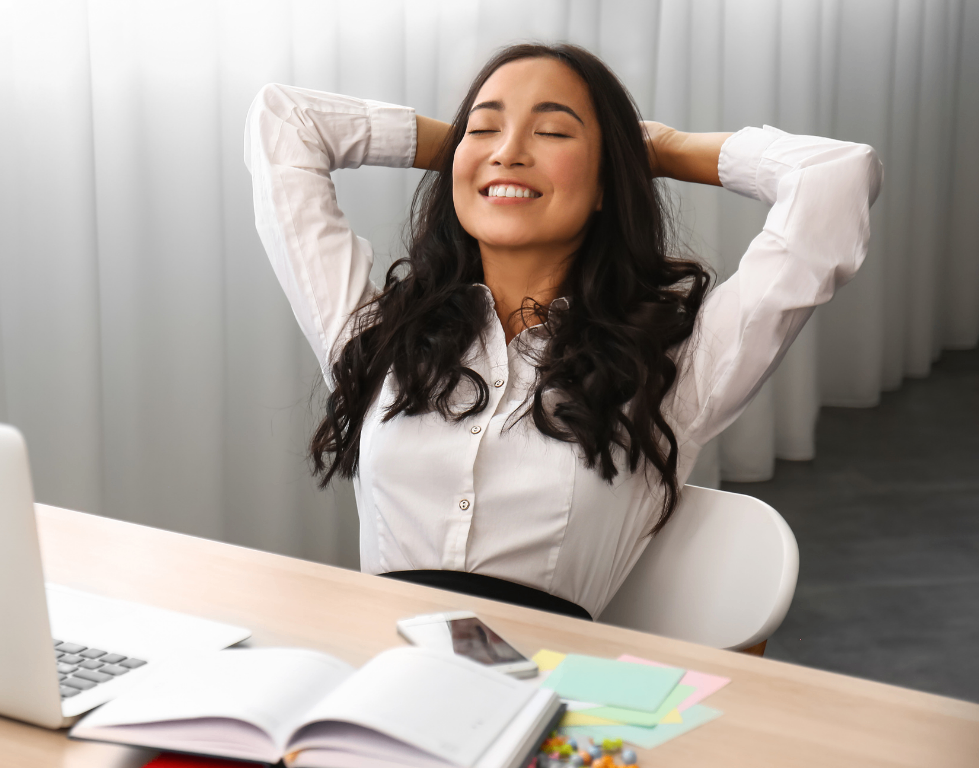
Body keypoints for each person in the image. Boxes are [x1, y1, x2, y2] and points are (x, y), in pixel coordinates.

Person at [244, 43, 880, 621]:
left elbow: (834, 176)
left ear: (608, 180)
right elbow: (287, 122)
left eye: (551, 131)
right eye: (484, 127)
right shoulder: (379, 332)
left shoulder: (675, 366)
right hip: (379, 686)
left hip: (544, 702)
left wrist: (652, 150)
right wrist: (476, 158)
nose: (510, 148)